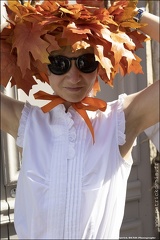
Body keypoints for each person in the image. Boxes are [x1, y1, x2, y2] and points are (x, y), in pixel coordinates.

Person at [0, 0, 159, 239]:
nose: (73, 76)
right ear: (44, 66)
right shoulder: (28, 124)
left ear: (100, 65)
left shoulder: (122, 121)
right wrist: (17, 32)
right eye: (59, 64)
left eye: (85, 62)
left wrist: (131, 15)